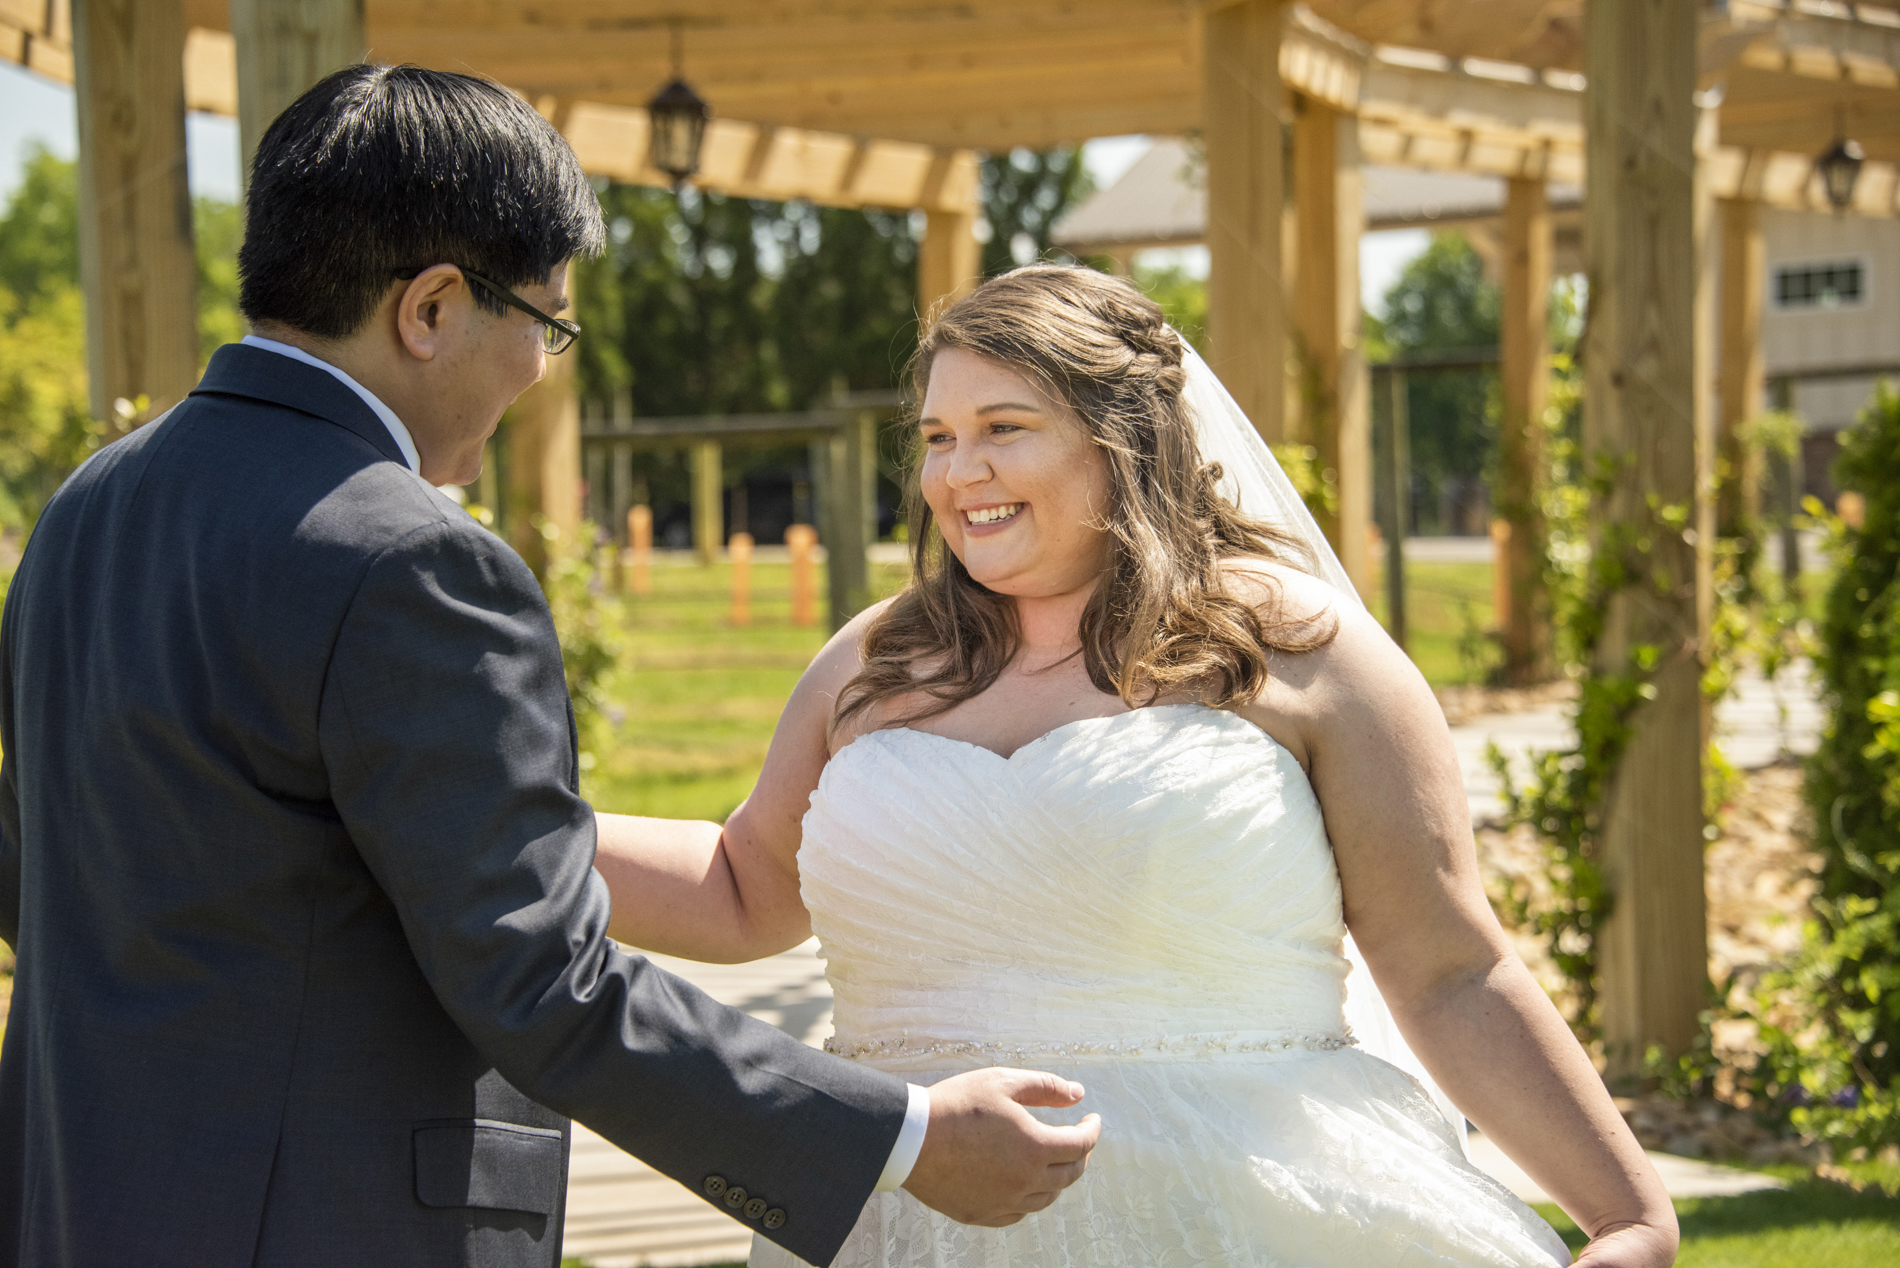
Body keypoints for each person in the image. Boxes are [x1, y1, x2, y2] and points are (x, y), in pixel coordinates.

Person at [0, 68, 1099, 1268]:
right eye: (546, 322)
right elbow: (544, 979)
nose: (540, 368)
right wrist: (900, 1136)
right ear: (430, 309)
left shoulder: (87, 508)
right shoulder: (412, 561)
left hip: (82, 1199)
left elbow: (39, 875)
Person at [591, 265, 1682, 1266]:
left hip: (1249, 1211)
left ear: (1119, 438)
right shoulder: (874, 659)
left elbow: (1449, 966)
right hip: (912, 1209)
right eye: (935, 437)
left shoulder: (1304, 655)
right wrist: (498, 833)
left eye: (1001, 428)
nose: (957, 473)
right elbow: (743, 883)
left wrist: (1628, 1211)